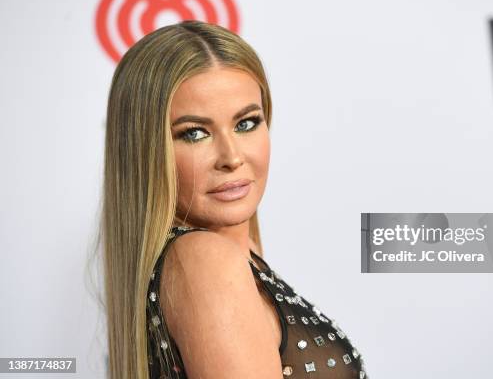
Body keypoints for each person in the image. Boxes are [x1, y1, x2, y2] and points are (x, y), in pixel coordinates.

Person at [101, 20, 367, 378]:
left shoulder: (237, 253)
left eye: (246, 124)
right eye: (194, 133)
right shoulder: (207, 263)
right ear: (145, 151)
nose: (231, 156)